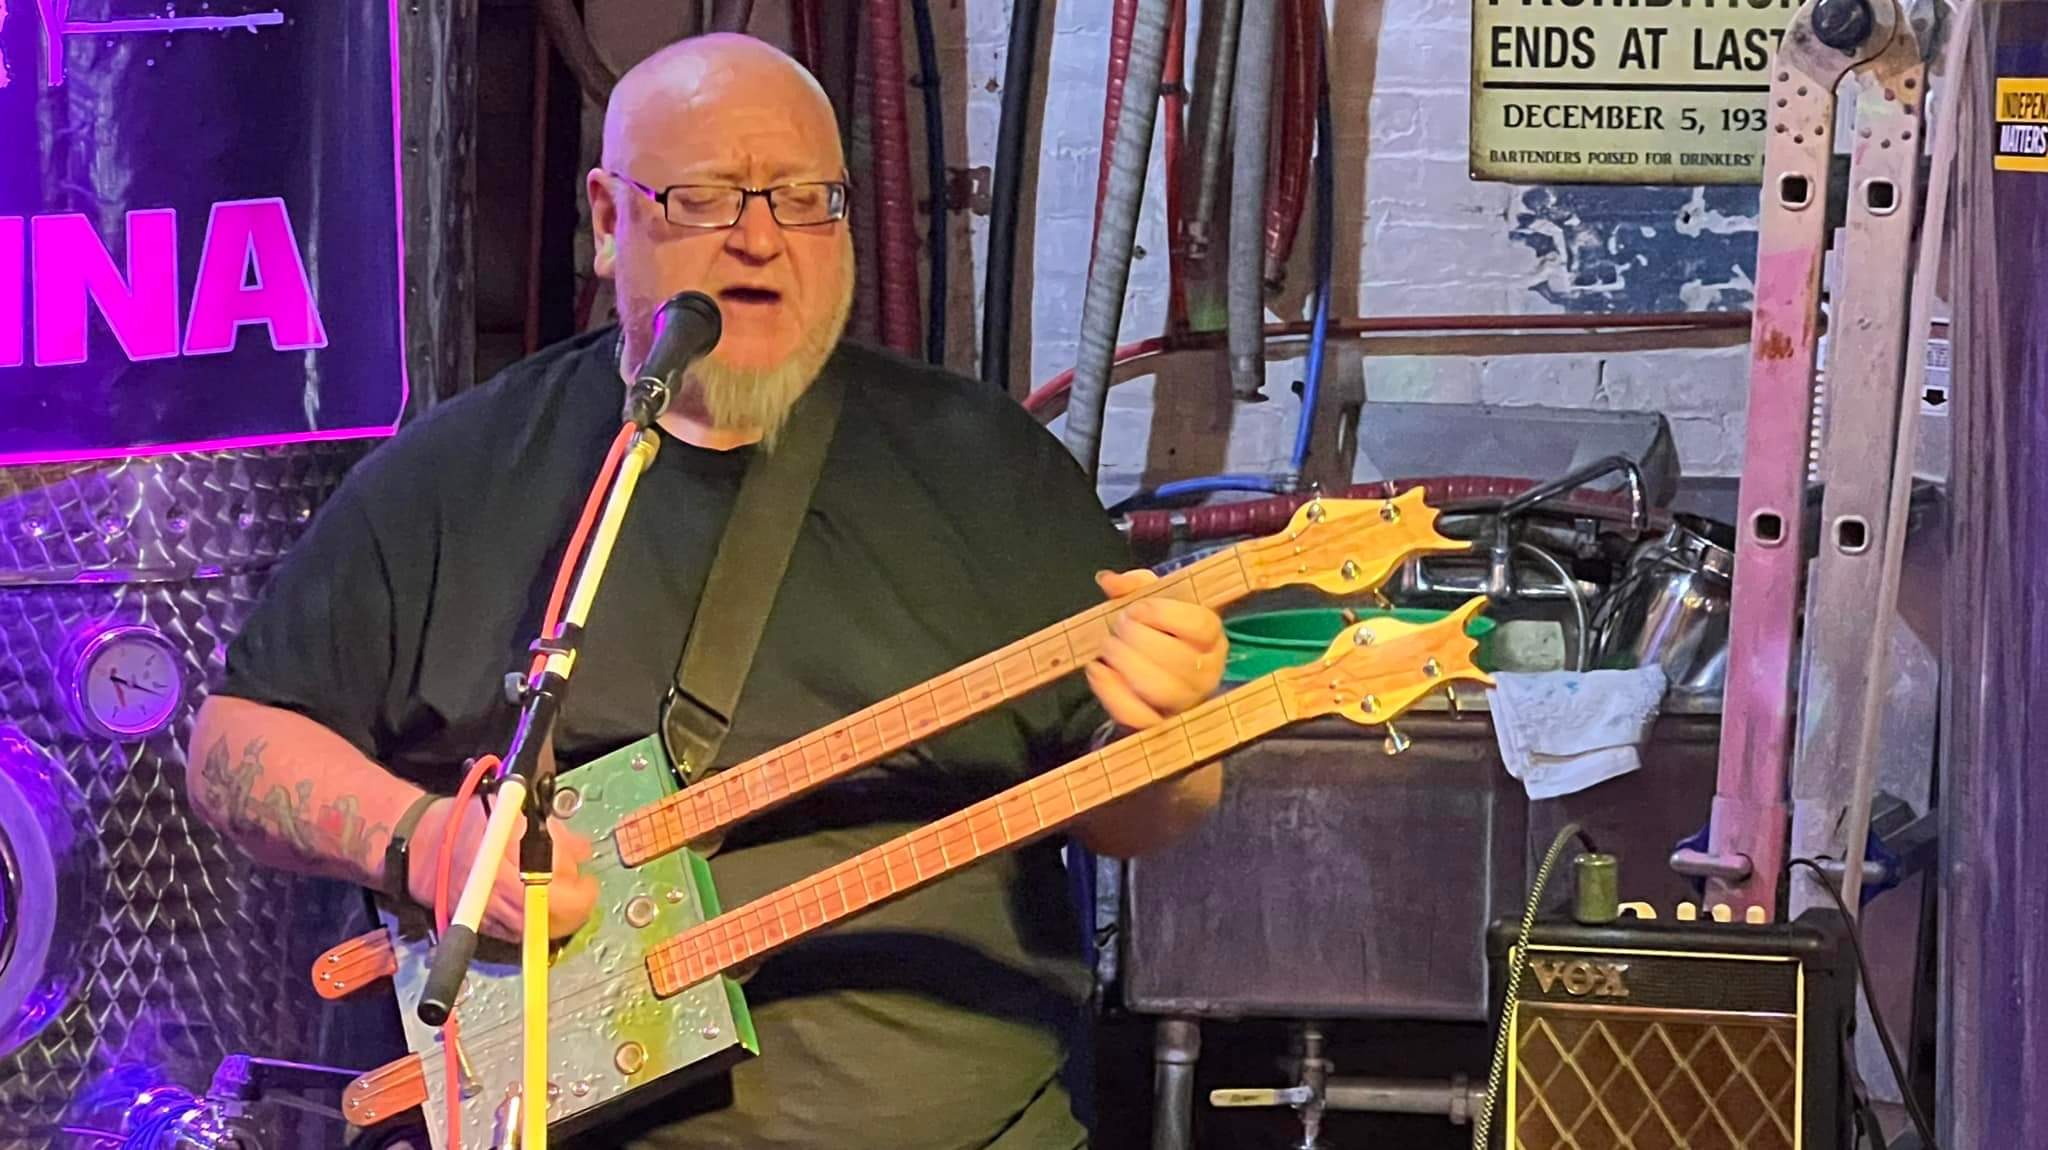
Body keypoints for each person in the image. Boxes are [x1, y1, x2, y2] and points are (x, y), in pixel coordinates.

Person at [187, 32, 1227, 1150]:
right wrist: (426, 842)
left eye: (806, 199)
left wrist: (1176, 738)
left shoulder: (987, 466)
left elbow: (1132, 816)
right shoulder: (459, 475)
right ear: (604, 219)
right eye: (704, 198)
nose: (761, 240)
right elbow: (235, 743)